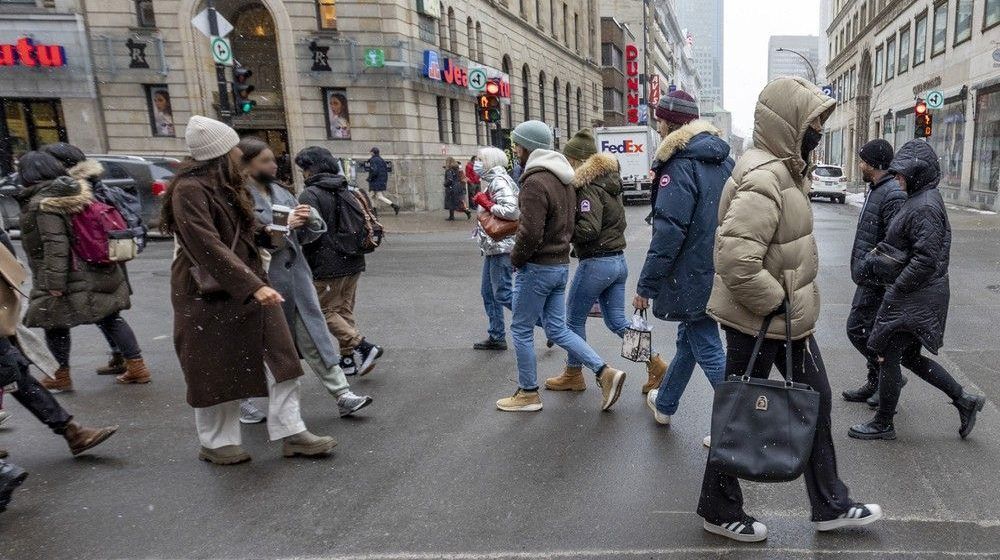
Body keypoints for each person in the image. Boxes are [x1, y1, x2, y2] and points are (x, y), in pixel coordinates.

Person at [698, 78, 881, 542]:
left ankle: (830, 505)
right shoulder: (765, 176)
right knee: (740, 414)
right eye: (813, 121)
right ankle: (717, 509)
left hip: (786, 320)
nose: (819, 129)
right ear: (789, 123)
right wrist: (776, 302)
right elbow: (736, 258)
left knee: (814, 403)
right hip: (759, 319)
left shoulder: (786, 170)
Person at [162, 115, 336, 464]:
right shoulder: (188, 190)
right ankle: (216, 442)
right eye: (233, 147)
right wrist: (253, 285)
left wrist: (276, 230)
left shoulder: (228, 184)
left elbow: (248, 228)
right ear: (220, 153)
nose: (239, 152)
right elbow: (206, 245)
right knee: (214, 370)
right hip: (206, 290)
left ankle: (292, 431)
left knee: (283, 360)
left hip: (248, 283)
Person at [850, 140, 986, 440]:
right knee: (907, 357)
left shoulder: (925, 205)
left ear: (917, 174)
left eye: (901, 174)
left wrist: (896, 288)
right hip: (918, 294)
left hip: (914, 295)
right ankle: (965, 400)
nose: (897, 179)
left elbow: (926, 259)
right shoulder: (920, 198)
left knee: (888, 353)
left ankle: (883, 422)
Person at [236, 138, 373, 423]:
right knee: (256, 344)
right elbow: (248, 242)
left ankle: (342, 394)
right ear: (246, 165)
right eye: (265, 161)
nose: (273, 165)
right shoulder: (239, 198)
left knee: (314, 335)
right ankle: (245, 401)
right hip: (262, 282)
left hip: (296, 279)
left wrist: (309, 220)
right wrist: (284, 228)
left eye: (273, 159)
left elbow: (306, 239)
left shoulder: (282, 192)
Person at [497, 120, 627, 413]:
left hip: (538, 266)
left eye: (518, 145)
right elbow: (568, 225)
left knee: (520, 329)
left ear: (528, 148)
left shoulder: (535, 181)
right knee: (557, 327)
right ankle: (603, 371)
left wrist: (516, 259)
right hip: (559, 265)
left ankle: (528, 393)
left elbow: (530, 232)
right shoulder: (565, 179)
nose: (516, 150)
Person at [632, 91, 731, 427]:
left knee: (705, 343)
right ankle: (667, 402)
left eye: (659, 120)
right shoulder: (723, 161)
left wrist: (646, 284)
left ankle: (737, 424)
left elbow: (669, 232)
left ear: (669, 123)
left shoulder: (679, 164)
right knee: (690, 337)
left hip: (690, 272)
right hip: (719, 266)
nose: (658, 126)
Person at [15, 152, 151, 391]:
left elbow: (55, 245)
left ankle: (61, 374)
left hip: (71, 273)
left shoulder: (44, 203)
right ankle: (136, 366)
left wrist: (54, 283)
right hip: (96, 265)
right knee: (110, 317)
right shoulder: (73, 191)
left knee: (53, 322)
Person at [543, 129, 631, 394]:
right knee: (617, 321)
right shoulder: (611, 182)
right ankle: (655, 363)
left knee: (572, 321)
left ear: (578, 161)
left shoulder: (588, 186)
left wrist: (563, 233)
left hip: (596, 263)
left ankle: (573, 374)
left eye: (569, 159)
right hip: (618, 261)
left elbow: (590, 228)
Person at [295, 146, 384, 378]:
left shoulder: (310, 194)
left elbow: (309, 233)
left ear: (310, 168)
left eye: (303, 168)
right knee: (343, 310)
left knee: (323, 310)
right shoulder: (347, 189)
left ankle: (363, 346)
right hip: (353, 258)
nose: (302, 173)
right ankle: (347, 359)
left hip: (326, 262)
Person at [842, 139, 907, 408]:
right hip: (869, 275)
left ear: (872, 164)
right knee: (865, 330)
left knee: (859, 329)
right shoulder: (876, 188)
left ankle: (888, 378)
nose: (859, 165)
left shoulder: (892, 193)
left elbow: (895, 243)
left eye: (862, 161)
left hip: (878, 279)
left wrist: (870, 262)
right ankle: (878, 379)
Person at [470, 147, 520, 351]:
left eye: (481, 159)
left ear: (491, 161)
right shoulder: (493, 181)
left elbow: (512, 211)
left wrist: (487, 204)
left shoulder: (499, 181)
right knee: (489, 293)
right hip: (494, 246)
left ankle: (549, 326)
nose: (476, 163)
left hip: (502, 246)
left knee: (503, 294)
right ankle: (497, 335)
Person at [366, 147, 399, 215]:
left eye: (371, 152)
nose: (370, 153)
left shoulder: (373, 160)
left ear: (373, 152)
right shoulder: (381, 160)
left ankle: (394, 206)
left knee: (378, 196)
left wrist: (369, 178)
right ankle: (374, 211)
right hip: (380, 181)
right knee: (372, 196)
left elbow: (374, 171)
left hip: (375, 181)